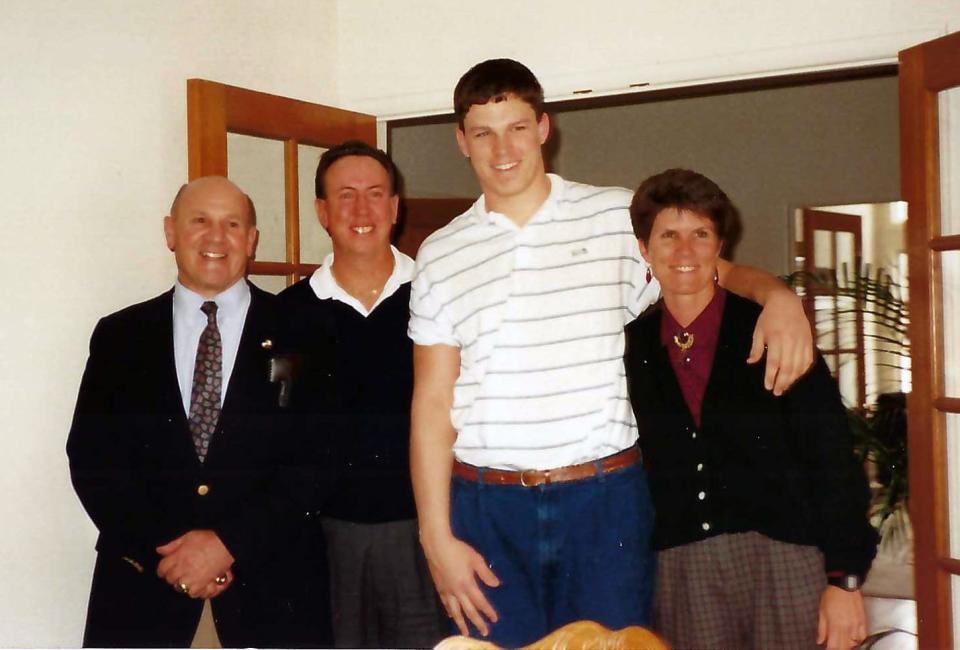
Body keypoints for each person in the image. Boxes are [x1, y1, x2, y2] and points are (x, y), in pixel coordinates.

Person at [407, 58, 816, 647]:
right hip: (486, 509)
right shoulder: (441, 253)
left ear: (544, 128)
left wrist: (779, 297)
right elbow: (431, 401)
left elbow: (707, 271)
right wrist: (435, 537)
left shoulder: (616, 216)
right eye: (483, 131)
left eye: (517, 126)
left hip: (605, 504)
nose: (502, 148)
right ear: (461, 141)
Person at [67, 176, 330, 648]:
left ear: (251, 239)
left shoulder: (307, 332)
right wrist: (171, 551)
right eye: (200, 221)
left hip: (271, 595)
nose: (216, 237)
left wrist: (227, 544)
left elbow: (315, 463)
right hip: (142, 592)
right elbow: (92, 460)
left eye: (232, 224)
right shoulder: (120, 336)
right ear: (171, 232)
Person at [624, 168, 877, 650]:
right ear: (645, 250)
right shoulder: (632, 346)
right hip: (683, 568)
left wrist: (845, 580)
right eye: (668, 236)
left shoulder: (771, 328)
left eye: (700, 234)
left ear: (719, 246)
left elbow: (832, 459)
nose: (684, 251)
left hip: (784, 558)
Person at [278, 141, 447, 648]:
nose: (362, 209)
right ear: (322, 212)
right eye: (345, 196)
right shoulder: (288, 314)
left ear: (395, 208)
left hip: (424, 530)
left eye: (376, 194)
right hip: (325, 539)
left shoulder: (438, 296)